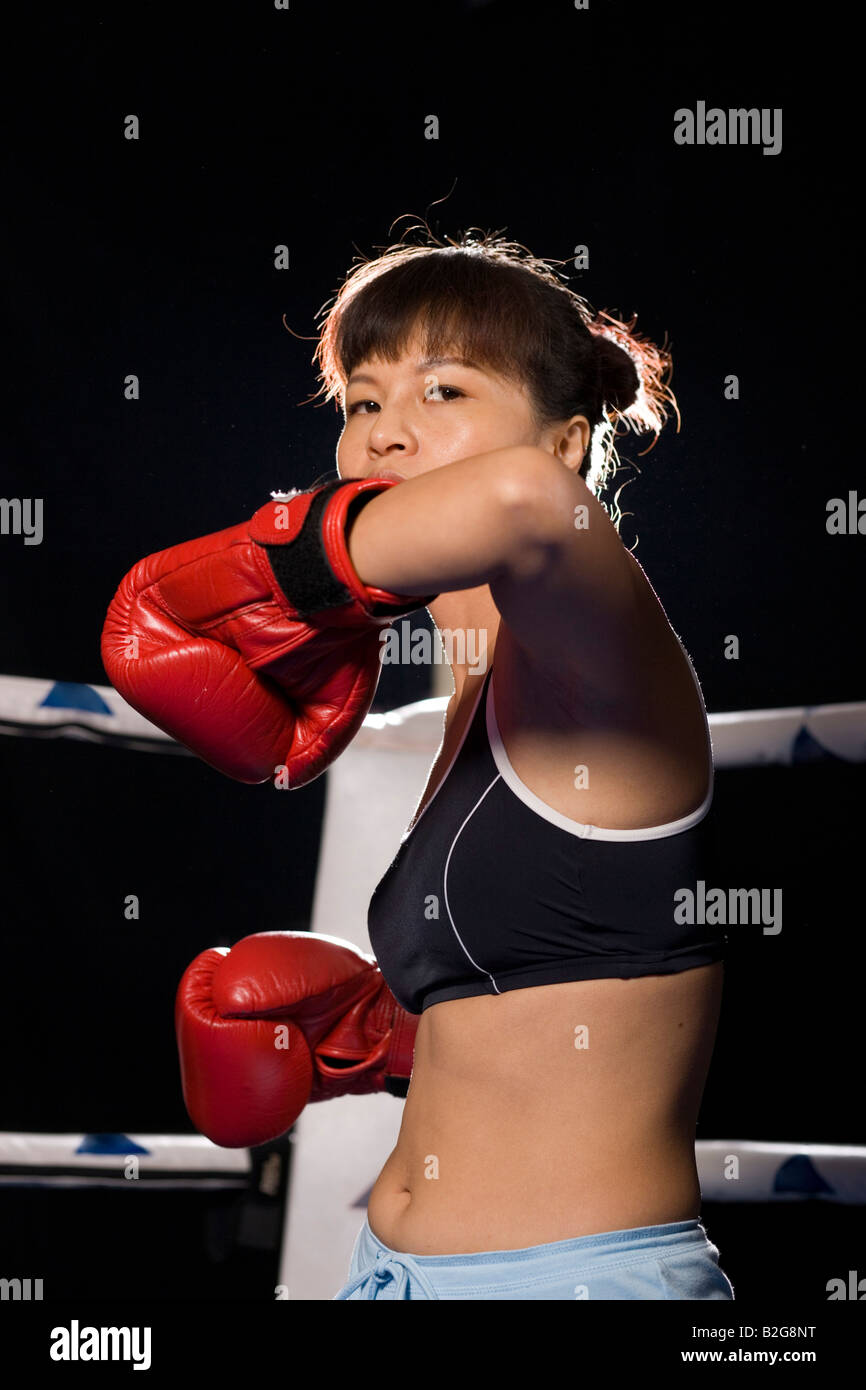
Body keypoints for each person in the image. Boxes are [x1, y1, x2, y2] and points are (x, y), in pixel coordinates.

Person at [313, 227, 734, 1300]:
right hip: (387, 1272)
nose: (384, 437)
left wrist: (273, 568)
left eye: (441, 391)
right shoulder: (462, 693)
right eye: (361, 402)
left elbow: (522, 513)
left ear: (561, 445)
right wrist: (386, 1032)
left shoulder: (602, 664)